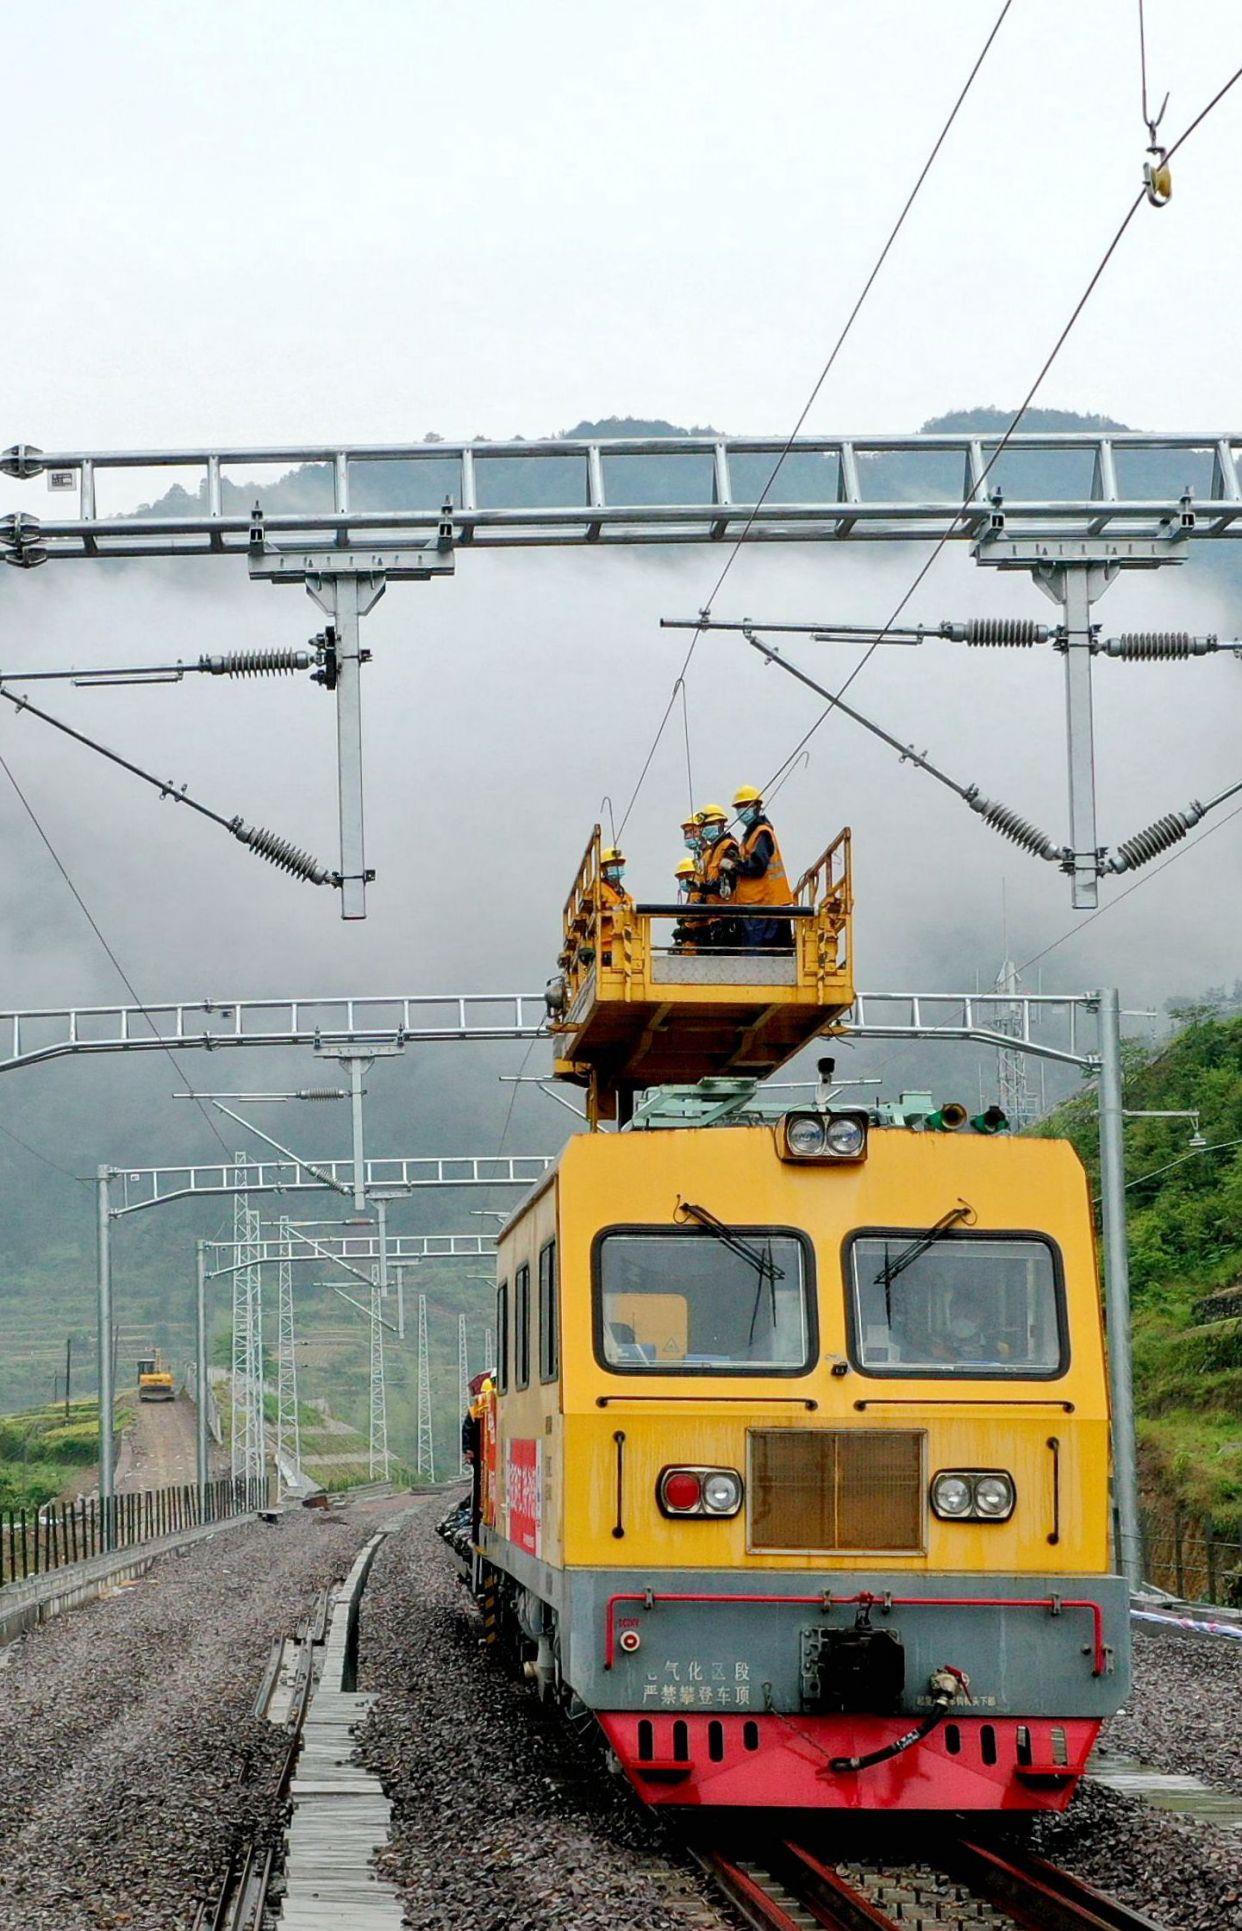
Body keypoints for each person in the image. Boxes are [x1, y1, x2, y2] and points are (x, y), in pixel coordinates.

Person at [729, 785, 794, 950]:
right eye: (738, 807)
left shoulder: (762, 833)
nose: (742, 811)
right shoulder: (751, 836)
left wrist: (733, 866)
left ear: (757, 807)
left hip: (766, 908)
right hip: (758, 907)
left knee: (759, 957)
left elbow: (757, 867)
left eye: (746, 806)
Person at [695, 804, 741, 948]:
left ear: (721, 823)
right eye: (704, 826)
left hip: (728, 918)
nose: (706, 829)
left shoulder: (728, 847)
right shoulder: (712, 852)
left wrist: (704, 887)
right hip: (715, 918)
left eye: (710, 824)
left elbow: (729, 884)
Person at [597, 845, 633, 964]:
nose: (617, 868)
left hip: (626, 946)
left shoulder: (626, 895)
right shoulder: (597, 889)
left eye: (619, 865)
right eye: (613, 865)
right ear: (603, 869)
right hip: (605, 946)